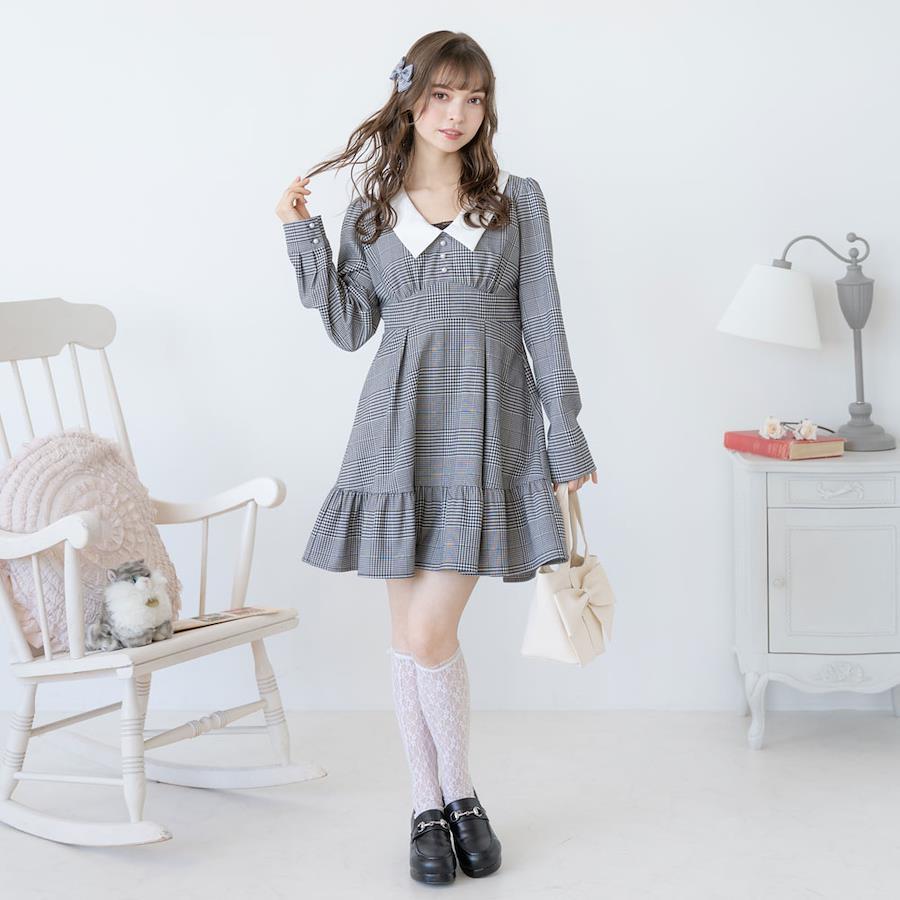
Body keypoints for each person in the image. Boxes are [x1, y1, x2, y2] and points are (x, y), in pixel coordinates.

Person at [274, 30, 597, 886]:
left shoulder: (518, 201)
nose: (458, 114)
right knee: (408, 636)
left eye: (474, 97)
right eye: (442, 95)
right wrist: (302, 236)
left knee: (428, 632)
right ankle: (434, 805)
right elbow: (350, 327)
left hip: (490, 430)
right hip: (396, 431)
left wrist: (564, 431)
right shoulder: (372, 213)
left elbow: (544, 322)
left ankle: (458, 792)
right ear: (410, 99)